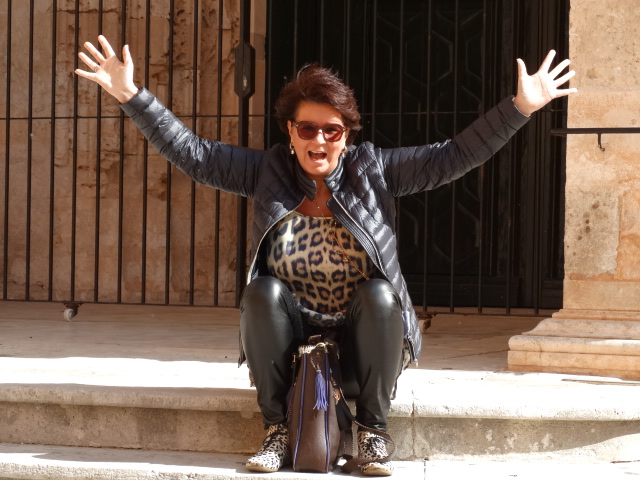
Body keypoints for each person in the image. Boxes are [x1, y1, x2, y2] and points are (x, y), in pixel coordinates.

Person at [76, 35, 577, 476]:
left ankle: (373, 431)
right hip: (294, 350)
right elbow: (195, 153)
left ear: (347, 135)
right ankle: (277, 429)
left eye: (331, 130)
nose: (319, 140)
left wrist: (520, 107)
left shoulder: (374, 170)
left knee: (380, 295)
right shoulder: (267, 171)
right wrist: (132, 96)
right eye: (307, 129)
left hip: (366, 349)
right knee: (261, 291)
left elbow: (453, 156)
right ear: (290, 132)